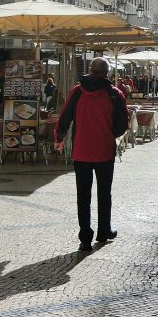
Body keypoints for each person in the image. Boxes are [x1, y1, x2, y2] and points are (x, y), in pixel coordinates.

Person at [57, 57, 128, 252]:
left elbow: (65, 117)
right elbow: (123, 124)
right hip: (104, 151)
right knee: (104, 193)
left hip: (81, 151)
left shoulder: (77, 92)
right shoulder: (115, 94)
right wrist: (109, 134)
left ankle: (85, 239)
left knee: (83, 195)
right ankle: (104, 231)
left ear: (89, 70)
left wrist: (59, 137)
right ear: (108, 74)